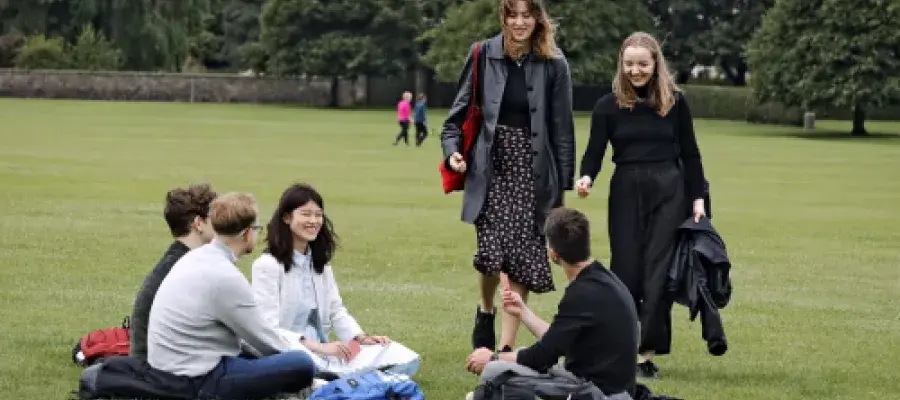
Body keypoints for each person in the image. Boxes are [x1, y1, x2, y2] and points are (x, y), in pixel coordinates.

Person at [440, 0, 575, 354]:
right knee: (490, 254)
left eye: (526, 15)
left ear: (537, 19)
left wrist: (561, 191)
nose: (519, 22)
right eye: (512, 15)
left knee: (521, 257)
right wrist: (452, 151)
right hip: (490, 169)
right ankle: (486, 311)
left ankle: (504, 349)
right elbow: (454, 119)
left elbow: (562, 130)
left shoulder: (555, 63)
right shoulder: (482, 54)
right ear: (503, 17)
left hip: (533, 173)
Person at [575, 31, 708, 379]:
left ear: (655, 65)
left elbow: (691, 153)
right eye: (630, 63)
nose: (636, 70)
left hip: (669, 190)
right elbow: (595, 150)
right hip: (626, 189)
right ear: (622, 64)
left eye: (643, 64)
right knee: (626, 271)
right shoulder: (608, 105)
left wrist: (698, 199)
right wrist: (587, 176)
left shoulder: (675, 103)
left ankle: (645, 354)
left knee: (658, 273)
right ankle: (624, 346)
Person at [147, 192, 316, 400]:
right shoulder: (225, 276)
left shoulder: (196, 258)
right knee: (301, 363)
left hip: (170, 369)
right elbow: (265, 341)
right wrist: (315, 361)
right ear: (246, 233)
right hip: (195, 380)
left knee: (254, 357)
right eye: (256, 229)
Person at [464, 207, 639, 398]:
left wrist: (492, 357)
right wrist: (523, 313)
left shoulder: (582, 294)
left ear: (553, 253)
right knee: (517, 355)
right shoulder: (603, 279)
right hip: (611, 386)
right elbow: (555, 342)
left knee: (494, 370)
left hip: (597, 392)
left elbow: (542, 357)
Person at [251, 183, 421, 378]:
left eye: (318, 214)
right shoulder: (267, 266)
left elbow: (336, 310)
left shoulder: (320, 265)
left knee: (398, 353)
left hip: (328, 351)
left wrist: (361, 338)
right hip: (291, 352)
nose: (313, 221)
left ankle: (342, 379)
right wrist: (317, 347)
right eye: (306, 214)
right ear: (287, 217)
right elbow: (268, 329)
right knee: (303, 363)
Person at [129, 183, 217, 362]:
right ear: (199, 224)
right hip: (162, 367)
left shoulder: (176, 260)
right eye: (216, 217)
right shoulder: (188, 267)